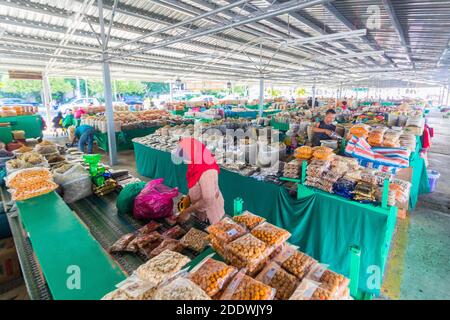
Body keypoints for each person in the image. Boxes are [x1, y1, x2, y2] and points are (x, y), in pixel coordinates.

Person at [175, 137, 225, 224]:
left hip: (210, 213)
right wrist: (188, 197)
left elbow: (208, 199)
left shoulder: (206, 170)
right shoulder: (196, 162)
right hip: (201, 209)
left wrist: (187, 211)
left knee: (210, 233)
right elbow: (196, 183)